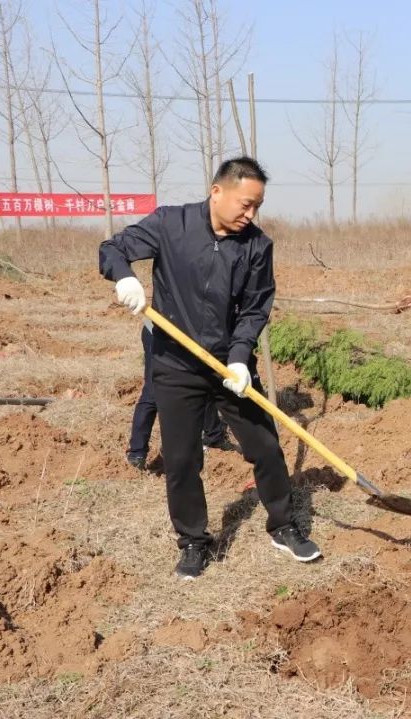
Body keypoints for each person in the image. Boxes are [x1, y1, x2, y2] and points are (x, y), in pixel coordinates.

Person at [99, 156, 320, 580]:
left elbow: (255, 308)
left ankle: (283, 524)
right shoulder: (170, 224)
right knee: (182, 459)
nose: (250, 214)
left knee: (266, 447)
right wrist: (124, 276)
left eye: (257, 206)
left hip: (228, 364)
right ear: (217, 191)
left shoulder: (257, 245)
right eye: (245, 204)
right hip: (174, 363)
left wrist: (239, 357)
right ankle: (194, 542)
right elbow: (112, 248)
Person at [126, 316, 233, 471]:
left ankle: (214, 436)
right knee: (153, 392)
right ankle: (137, 453)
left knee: (206, 380)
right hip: (160, 333)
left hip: (193, 334)